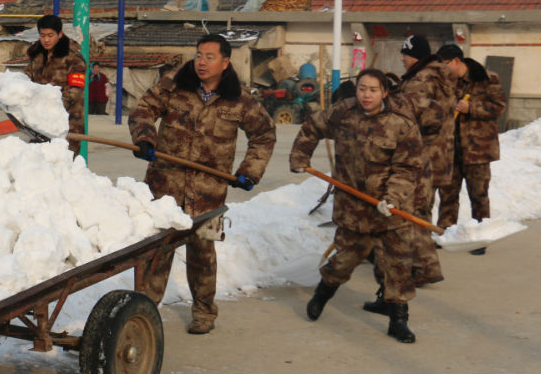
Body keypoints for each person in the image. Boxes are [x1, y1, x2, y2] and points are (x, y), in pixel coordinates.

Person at [128, 34, 276, 334]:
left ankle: (204, 313)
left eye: (210, 57)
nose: (202, 62)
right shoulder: (173, 84)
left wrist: (249, 170)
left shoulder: (240, 98)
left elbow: (264, 135)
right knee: (156, 253)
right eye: (198, 55)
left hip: (208, 193)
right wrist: (145, 138)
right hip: (164, 187)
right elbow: (142, 110)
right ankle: (141, 314)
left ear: (225, 62)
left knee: (202, 256)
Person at [290, 69, 422, 343]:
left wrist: (393, 198)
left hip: (391, 210)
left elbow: (408, 167)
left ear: (385, 92)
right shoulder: (342, 113)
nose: (366, 94)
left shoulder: (401, 124)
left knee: (398, 265)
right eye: (362, 88)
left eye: (373, 89)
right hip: (353, 208)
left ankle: (399, 320)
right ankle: (322, 294)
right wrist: (300, 156)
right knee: (344, 261)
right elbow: (311, 126)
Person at [393, 34, 456, 286]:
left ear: (416, 56)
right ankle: (418, 263)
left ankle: (425, 267)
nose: (402, 59)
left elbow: (408, 120)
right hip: (439, 155)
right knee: (422, 209)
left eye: (405, 54)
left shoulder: (420, 80)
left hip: (420, 156)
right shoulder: (439, 77)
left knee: (415, 211)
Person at [436, 44, 507, 255]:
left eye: (445, 64)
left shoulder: (486, 78)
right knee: (447, 195)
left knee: (478, 195)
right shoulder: (445, 82)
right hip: (451, 149)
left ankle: (479, 239)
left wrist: (471, 108)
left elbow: (499, 106)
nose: (443, 70)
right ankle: (446, 233)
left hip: (478, 149)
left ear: (457, 61)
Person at [23, 15, 87, 156]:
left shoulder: (73, 58)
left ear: (60, 34)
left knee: (63, 165)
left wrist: (51, 108)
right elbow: (27, 78)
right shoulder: (37, 55)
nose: (46, 40)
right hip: (41, 121)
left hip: (67, 122)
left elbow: (74, 90)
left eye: (50, 35)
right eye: (43, 35)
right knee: (36, 160)